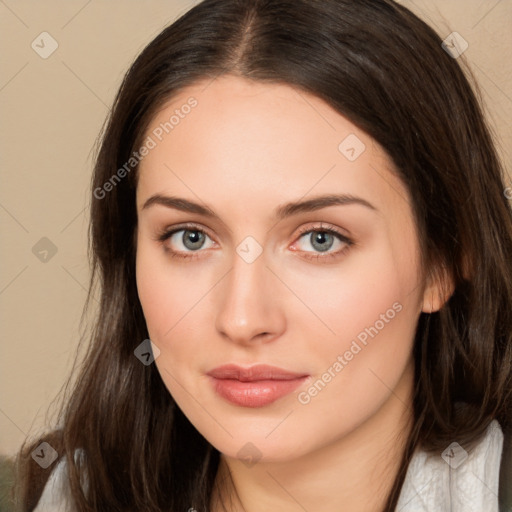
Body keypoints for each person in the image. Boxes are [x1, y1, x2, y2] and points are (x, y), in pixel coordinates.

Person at [12, 0, 512, 510]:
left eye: (321, 238)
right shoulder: (68, 495)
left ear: (443, 261)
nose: (243, 319)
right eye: (190, 237)